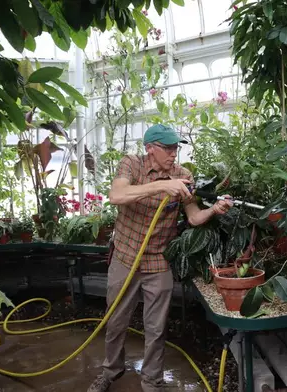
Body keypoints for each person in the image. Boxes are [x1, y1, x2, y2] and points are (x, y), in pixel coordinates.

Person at [87, 124, 234, 392]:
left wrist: (214, 209)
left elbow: (193, 217)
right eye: (167, 148)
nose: (173, 154)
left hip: (158, 261)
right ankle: (111, 371)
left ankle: (152, 381)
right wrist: (161, 187)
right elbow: (116, 195)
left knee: (156, 328)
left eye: (175, 148)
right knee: (116, 320)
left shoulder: (183, 175)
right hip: (125, 258)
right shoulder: (131, 164)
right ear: (150, 148)